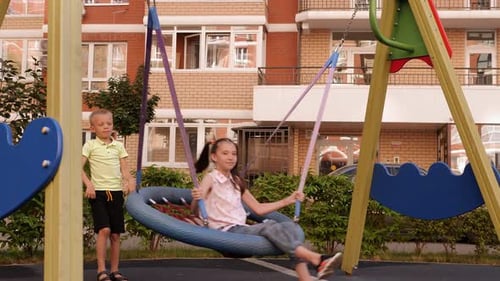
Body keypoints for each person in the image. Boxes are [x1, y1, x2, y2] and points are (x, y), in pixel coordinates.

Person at [191, 138, 343, 281]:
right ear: (214, 157)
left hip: (241, 229)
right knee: (269, 226)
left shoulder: (236, 181)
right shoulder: (211, 178)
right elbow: (195, 209)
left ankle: (306, 277)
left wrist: (288, 200)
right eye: (225, 153)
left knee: (289, 228)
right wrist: (197, 198)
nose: (231, 157)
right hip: (225, 233)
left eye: (234, 154)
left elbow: (258, 208)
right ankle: (317, 259)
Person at [82, 109, 135, 281]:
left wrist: (129, 181)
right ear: (92, 128)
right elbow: (78, 167)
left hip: (116, 193)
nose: (106, 127)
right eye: (101, 124)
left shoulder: (118, 146)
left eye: (109, 123)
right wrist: (88, 184)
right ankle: (101, 270)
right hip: (98, 193)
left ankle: (115, 270)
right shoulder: (90, 145)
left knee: (115, 234)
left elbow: (125, 170)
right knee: (104, 230)